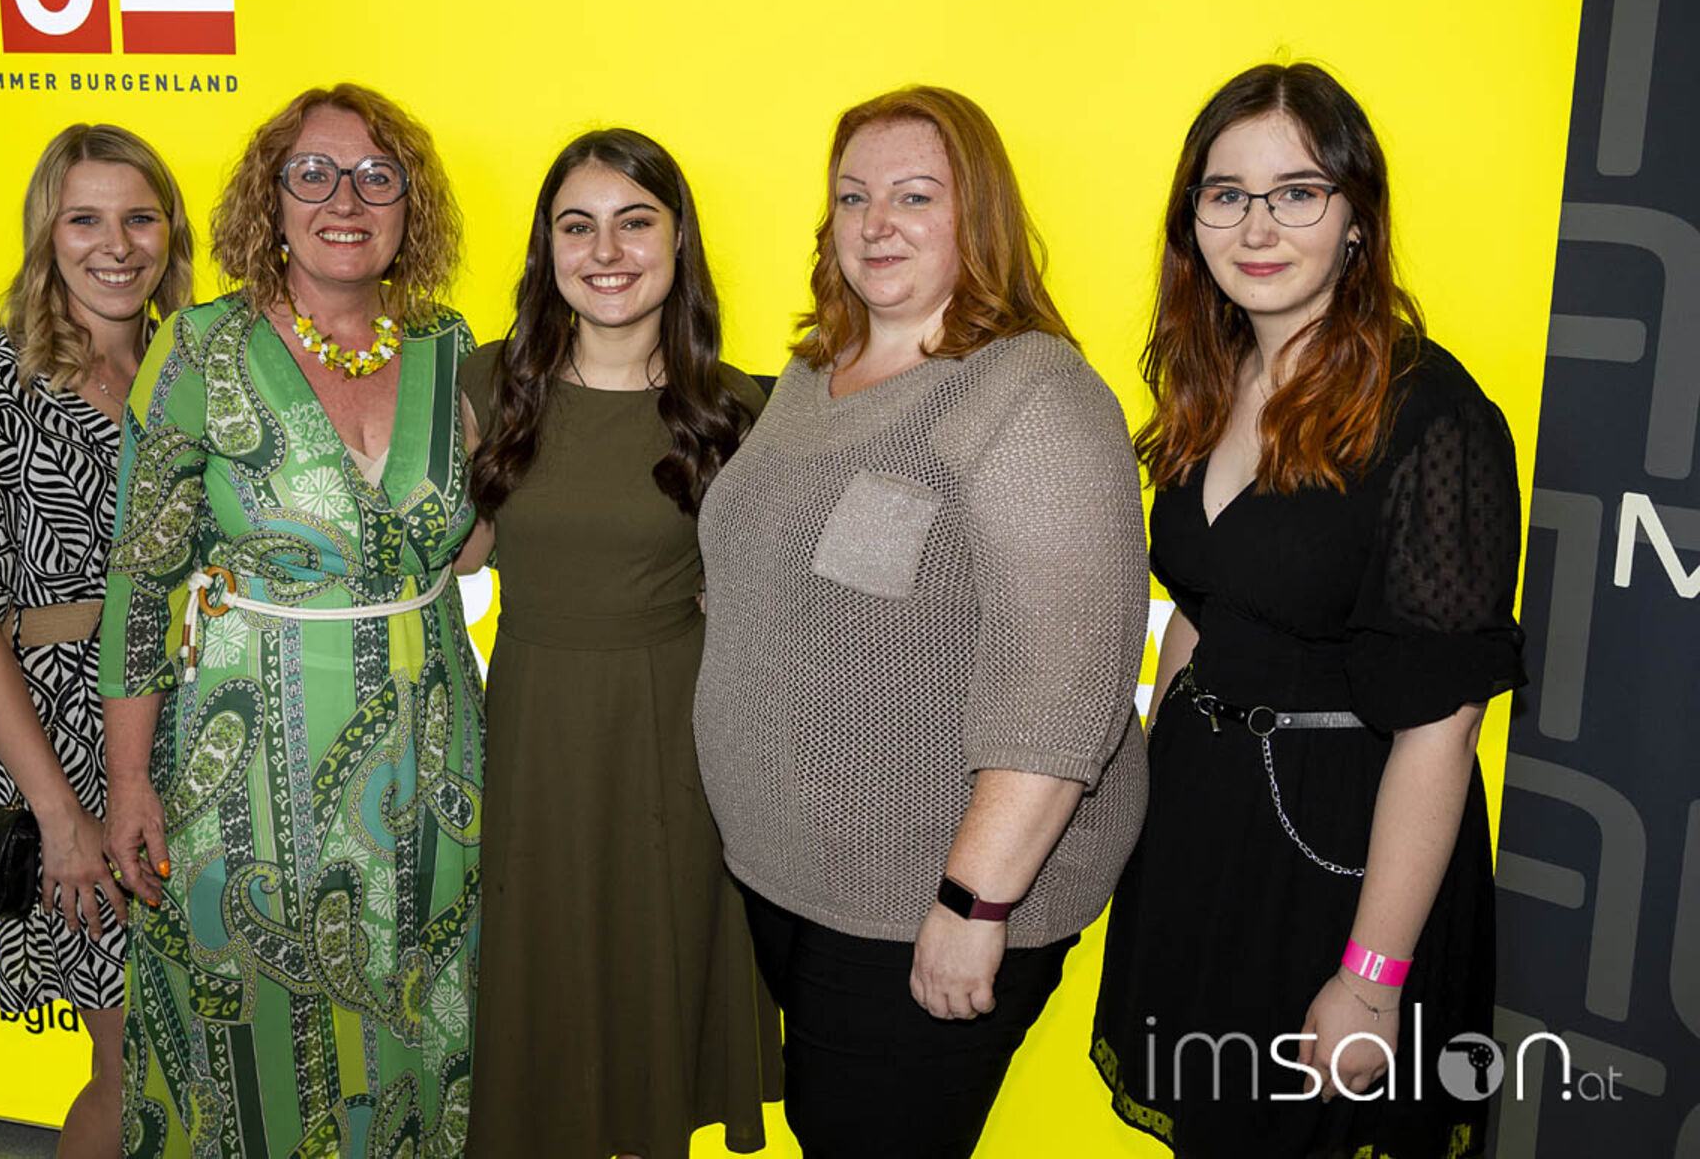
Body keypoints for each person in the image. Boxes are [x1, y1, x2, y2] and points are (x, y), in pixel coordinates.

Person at [693, 86, 1150, 1159]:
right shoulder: (814, 373)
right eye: (853, 196)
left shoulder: (1031, 395)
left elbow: (1065, 683)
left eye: (913, 196)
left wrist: (974, 903)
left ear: (977, 214)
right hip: (792, 875)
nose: (875, 224)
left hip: (926, 895)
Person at [1089, 63, 1527, 1159]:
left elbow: (1444, 724)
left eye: (1296, 192)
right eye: (1225, 194)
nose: (1257, 226)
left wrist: (1371, 979)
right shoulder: (1210, 375)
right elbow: (1203, 609)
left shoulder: (1431, 415)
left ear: (1356, 217)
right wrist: (1145, 800)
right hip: (1204, 821)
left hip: (1341, 852)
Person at [97, 84, 484, 1157]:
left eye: (375, 176)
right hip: (247, 767)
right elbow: (141, 580)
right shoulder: (200, 348)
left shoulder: (451, 344)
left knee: (423, 1015)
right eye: (311, 174)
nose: (343, 200)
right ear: (269, 201)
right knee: (254, 1042)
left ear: (412, 205)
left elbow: (473, 538)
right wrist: (128, 781)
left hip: (434, 755)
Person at [455, 127, 780, 1159]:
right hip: (531, 732)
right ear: (546, 247)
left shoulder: (737, 407)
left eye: (635, 222)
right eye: (577, 225)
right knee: (538, 995)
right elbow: (452, 557)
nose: (606, 250)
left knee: (651, 996)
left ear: (679, 240)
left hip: (675, 739)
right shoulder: (483, 384)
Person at [0, 123, 192, 1158]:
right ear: (46, 236)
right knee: (131, 1066)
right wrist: (59, 816)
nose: (117, 245)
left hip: (194, 729)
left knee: (197, 1057)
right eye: (85, 220)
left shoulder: (189, 370)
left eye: (139, 218)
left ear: (171, 232)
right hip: (63, 742)